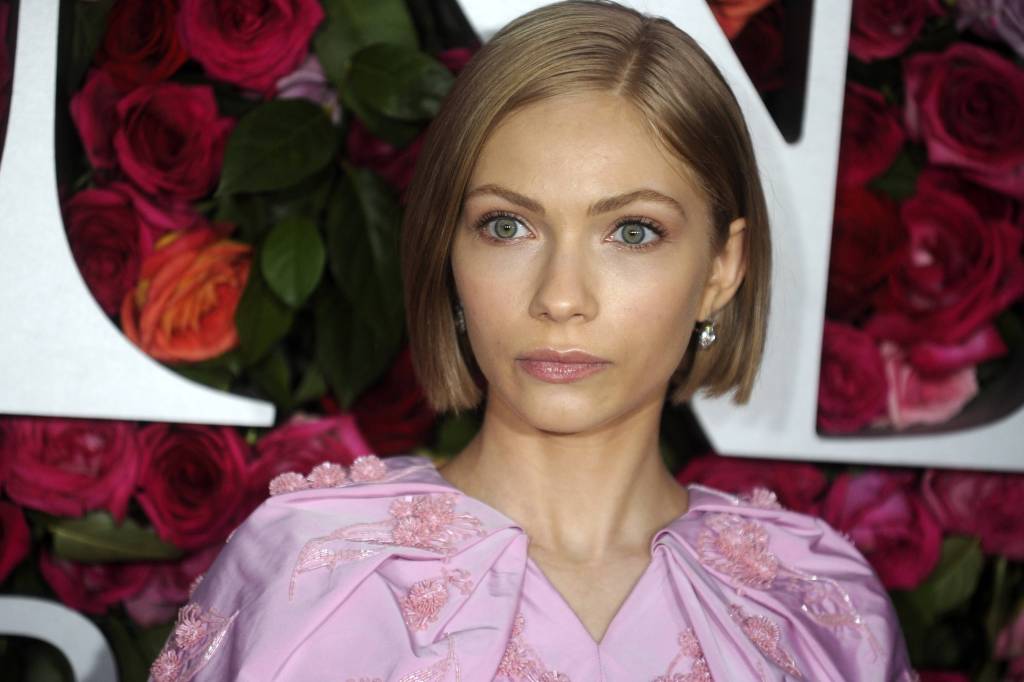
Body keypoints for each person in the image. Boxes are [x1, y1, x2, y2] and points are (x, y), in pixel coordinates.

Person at [149, 1, 917, 680]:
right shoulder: (309, 577)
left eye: (633, 231)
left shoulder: (815, 606)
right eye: (507, 226)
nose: (560, 297)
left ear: (722, 268)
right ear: (449, 251)